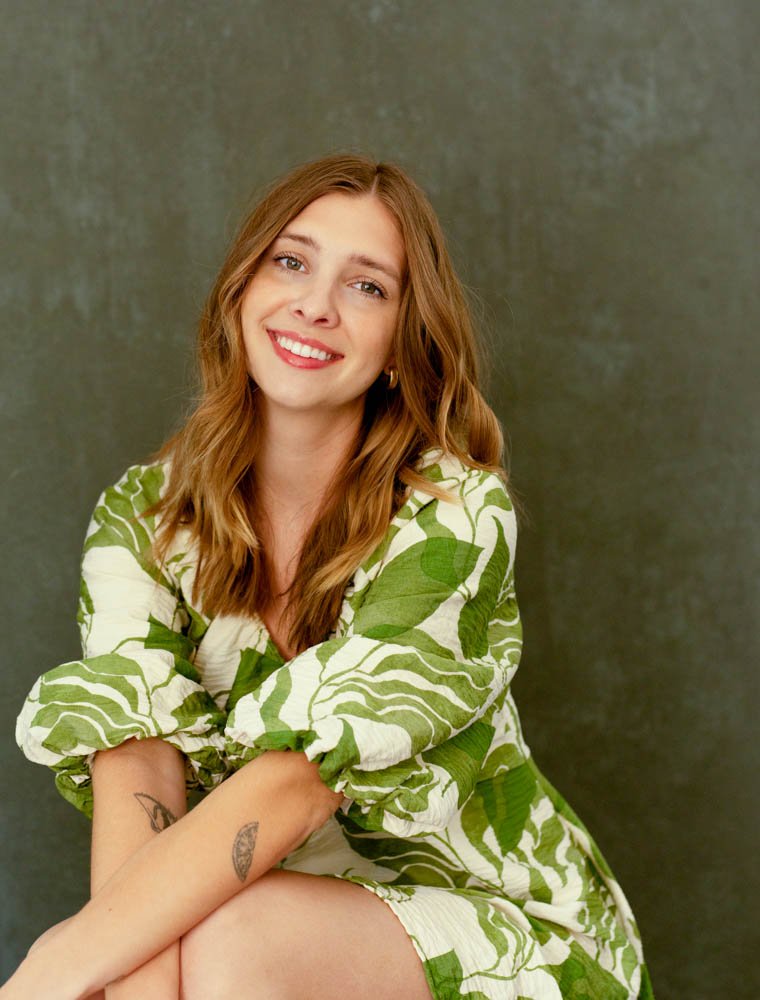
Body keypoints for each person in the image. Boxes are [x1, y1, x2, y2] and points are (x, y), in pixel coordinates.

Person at [6, 151, 654, 1000]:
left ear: (398, 347)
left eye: (367, 286)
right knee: (189, 940)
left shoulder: (454, 512)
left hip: (512, 927)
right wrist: (121, 975)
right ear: (243, 290)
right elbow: (139, 764)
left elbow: (298, 785)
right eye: (292, 261)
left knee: (232, 937)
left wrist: (44, 976)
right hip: (280, 925)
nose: (315, 303)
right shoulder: (144, 515)